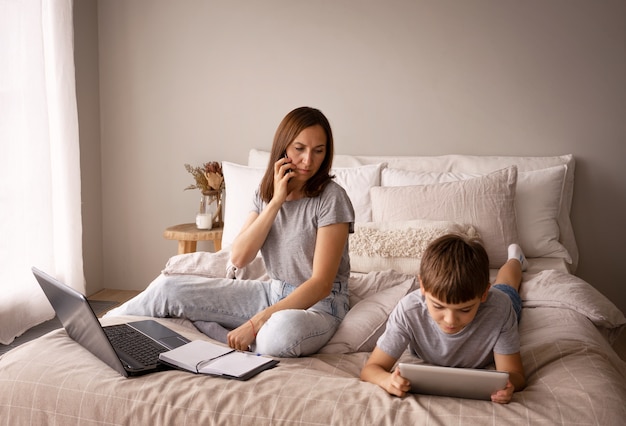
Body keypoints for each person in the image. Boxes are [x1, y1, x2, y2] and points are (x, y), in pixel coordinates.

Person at [106, 106, 355, 357]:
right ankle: (103, 327)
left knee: (278, 335)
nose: (308, 160)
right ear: (284, 147)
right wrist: (276, 202)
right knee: (169, 288)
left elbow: (321, 284)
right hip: (272, 294)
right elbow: (239, 258)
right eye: (300, 149)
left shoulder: (332, 198)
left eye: (318, 151)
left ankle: (215, 331)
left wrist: (256, 323)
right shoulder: (265, 193)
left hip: (320, 307)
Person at [360, 234, 527, 404]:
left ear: (484, 294)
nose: (450, 320)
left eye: (465, 309)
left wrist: (509, 385)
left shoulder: (500, 309)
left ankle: (515, 259)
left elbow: (516, 376)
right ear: (423, 287)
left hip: (501, 299)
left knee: (506, 285)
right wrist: (386, 380)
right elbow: (371, 369)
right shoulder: (409, 311)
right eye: (439, 306)